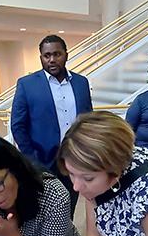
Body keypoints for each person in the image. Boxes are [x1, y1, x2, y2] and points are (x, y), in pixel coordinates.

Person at [11, 34, 93, 216]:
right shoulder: (27, 85)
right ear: (41, 57)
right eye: (47, 56)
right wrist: (32, 160)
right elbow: (18, 126)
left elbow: (88, 120)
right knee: (45, 211)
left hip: (75, 158)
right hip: (42, 161)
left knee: (69, 207)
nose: (52, 60)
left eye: (57, 54)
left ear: (66, 55)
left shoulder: (81, 83)